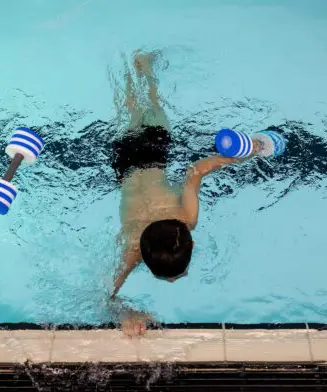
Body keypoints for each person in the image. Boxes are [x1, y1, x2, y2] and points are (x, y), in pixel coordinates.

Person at [110, 50, 266, 337]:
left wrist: (244, 154)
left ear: (191, 244)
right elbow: (193, 171)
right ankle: (137, 70)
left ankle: (144, 70)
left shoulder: (185, 219)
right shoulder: (134, 249)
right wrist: (126, 313)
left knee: (151, 108)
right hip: (123, 163)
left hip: (154, 153)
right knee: (131, 110)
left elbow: (196, 171)